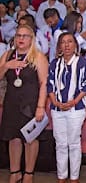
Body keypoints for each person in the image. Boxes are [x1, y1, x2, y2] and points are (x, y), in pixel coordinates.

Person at [0, 25, 48, 183]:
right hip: (11, 102)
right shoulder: (7, 55)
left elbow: (44, 84)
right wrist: (6, 66)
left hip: (31, 104)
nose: (21, 39)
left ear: (31, 39)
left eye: (25, 36)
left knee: (30, 139)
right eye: (18, 35)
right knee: (13, 139)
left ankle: (28, 173)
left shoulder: (38, 57)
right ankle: (15, 172)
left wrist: (41, 107)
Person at [47, 32, 86, 183]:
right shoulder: (54, 63)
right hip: (57, 109)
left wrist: (73, 101)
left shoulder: (82, 62)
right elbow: (50, 85)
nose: (66, 45)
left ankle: (74, 177)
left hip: (76, 108)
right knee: (60, 143)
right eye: (63, 42)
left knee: (73, 143)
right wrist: (55, 102)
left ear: (75, 45)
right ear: (59, 46)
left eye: (70, 42)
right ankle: (61, 176)